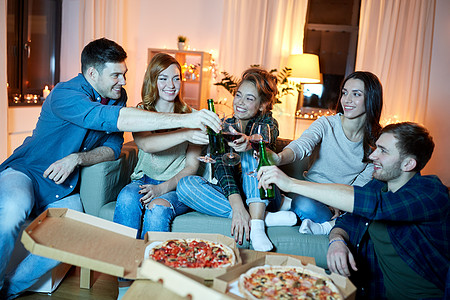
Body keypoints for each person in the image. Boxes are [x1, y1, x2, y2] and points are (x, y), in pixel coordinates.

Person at [0, 38, 220, 299]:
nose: (123, 81)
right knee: (13, 210)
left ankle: (9, 290)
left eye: (124, 74)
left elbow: (113, 148)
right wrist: (188, 121)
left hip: (64, 186)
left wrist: (77, 159)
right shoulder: (65, 94)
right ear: (92, 73)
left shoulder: (117, 97)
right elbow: (117, 121)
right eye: (116, 75)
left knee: (75, 233)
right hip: (28, 172)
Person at [258, 122, 449, 299]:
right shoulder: (377, 186)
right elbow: (347, 221)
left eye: (383, 151)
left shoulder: (431, 192)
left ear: (408, 164)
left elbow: (372, 205)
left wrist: (290, 183)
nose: (373, 155)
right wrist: (337, 241)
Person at [177, 67, 297, 252]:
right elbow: (222, 169)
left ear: (262, 105)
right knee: (185, 185)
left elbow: (267, 136)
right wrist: (238, 208)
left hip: (266, 196)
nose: (240, 103)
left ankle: (257, 225)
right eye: (239, 95)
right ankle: (263, 218)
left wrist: (250, 142)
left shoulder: (268, 123)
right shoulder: (226, 126)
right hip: (236, 197)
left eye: (249, 98)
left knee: (253, 152)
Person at [268, 71, 383, 235]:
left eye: (356, 94)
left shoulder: (375, 144)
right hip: (308, 194)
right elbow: (302, 145)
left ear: (372, 99)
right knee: (303, 204)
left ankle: (316, 222)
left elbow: (358, 189)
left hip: (338, 202)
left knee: (368, 207)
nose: (347, 100)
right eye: (344, 93)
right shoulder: (326, 124)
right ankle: (315, 219)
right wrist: (279, 158)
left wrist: (337, 203)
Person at [113, 53, 205, 238]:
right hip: (143, 180)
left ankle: (152, 265)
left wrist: (161, 189)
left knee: (157, 211)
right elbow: (147, 144)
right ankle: (120, 261)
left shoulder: (193, 116)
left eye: (176, 79)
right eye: (163, 79)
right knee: (126, 197)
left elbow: (191, 167)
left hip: (176, 186)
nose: (171, 85)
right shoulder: (141, 113)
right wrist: (186, 133)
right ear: (152, 81)